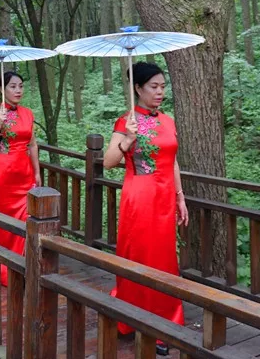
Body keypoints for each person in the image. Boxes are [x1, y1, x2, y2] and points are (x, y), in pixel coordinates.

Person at [102, 61, 189, 357]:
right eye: (154, 86)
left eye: (163, 86)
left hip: (165, 196)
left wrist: (180, 196)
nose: (160, 92)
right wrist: (127, 138)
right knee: (141, 255)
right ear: (137, 89)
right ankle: (136, 314)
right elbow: (108, 162)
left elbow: (173, 160)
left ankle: (167, 318)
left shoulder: (168, 120)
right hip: (139, 197)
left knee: (165, 257)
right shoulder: (126, 121)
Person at [0, 71, 40, 286]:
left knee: (25, 222)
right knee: (5, 222)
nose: (18, 90)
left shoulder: (27, 113)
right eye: (13, 86)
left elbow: (32, 143)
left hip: (24, 174)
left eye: (20, 86)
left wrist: (37, 171)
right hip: (3, 174)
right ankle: (4, 268)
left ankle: (23, 266)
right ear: (2, 89)